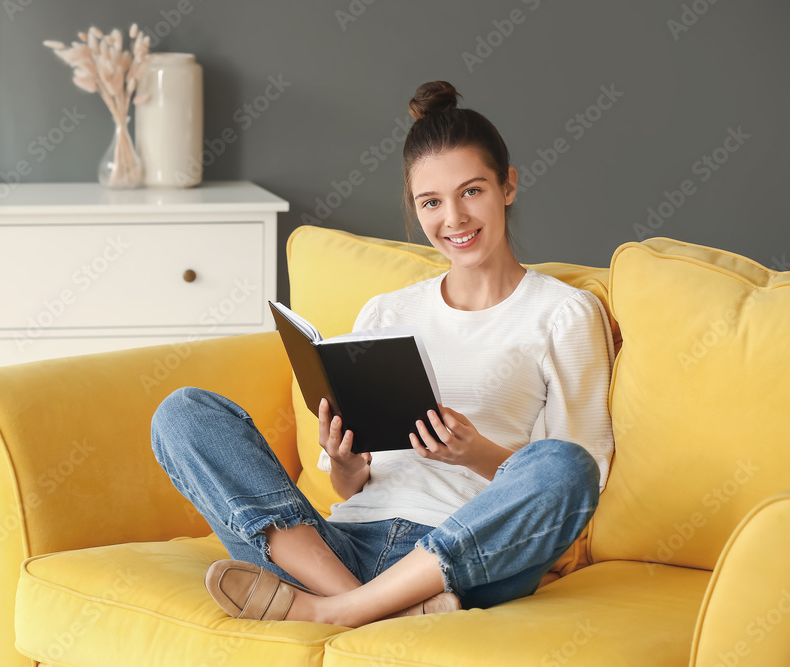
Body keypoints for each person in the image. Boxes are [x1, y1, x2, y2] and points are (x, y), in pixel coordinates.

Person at [150, 80, 615, 628]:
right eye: (431, 202)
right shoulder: (386, 312)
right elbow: (345, 488)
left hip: (462, 561)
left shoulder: (563, 312)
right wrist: (347, 463)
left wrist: (474, 452)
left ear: (507, 186)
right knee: (183, 414)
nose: (454, 219)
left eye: (472, 192)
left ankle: (334, 612)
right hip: (338, 547)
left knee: (567, 465)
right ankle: (366, 606)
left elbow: (581, 480)